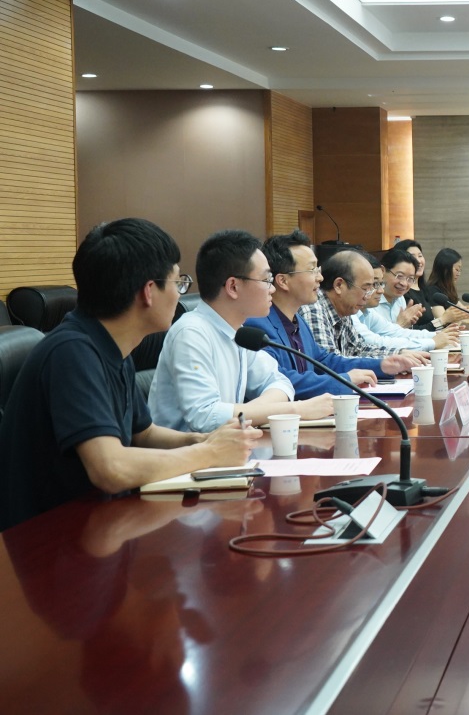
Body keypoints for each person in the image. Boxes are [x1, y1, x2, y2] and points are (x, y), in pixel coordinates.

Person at [0, 218, 259, 531]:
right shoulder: (72, 352)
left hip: (100, 527)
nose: (180, 295)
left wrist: (202, 439)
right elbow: (110, 469)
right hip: (45, 541)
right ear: (149, 291)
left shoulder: (112, 345)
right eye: (177, 283)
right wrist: (209, 452)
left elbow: (144, 434)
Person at [148, 229, 334, 432]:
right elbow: (205, 417)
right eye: (266, 280)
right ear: (233, 287)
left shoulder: (238, 332)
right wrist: (295, 409)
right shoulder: (191, 333)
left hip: (228, 447)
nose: (272, 289)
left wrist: (248, 413)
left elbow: (280, 382)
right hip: (184, 450)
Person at [245, 232, 416, 399]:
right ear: (283, 281)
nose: (320, 277)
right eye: (312, 270)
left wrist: (383, 365)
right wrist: (346, 379)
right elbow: (279, 379)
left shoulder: (299, 321)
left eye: (318, 269)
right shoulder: (257, 326)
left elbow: (324, 361)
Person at [300, 249, 431, 364]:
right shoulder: (314, 309)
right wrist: (383, 364)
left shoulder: (344, 309)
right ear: (339, 285)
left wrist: (399, 353)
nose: (368, 295)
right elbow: (328, 364)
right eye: (366, 288)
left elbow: (358, 349)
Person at [355, 257, 459, 351]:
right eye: (374, 284)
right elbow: (375, 342)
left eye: (410, 278)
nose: (380, 290)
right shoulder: (354, 313)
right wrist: (433, 341)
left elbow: (396, 332)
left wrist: (437, 335)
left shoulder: (397, 300)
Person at [422, 247, 469, 328]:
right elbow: (443, 321)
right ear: (445, 269)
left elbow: (461, 309)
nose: (459, 274)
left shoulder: (447, 288)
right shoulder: (433, 291)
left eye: (460, 270)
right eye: (457, 269)